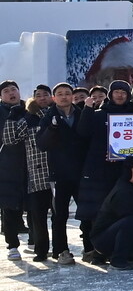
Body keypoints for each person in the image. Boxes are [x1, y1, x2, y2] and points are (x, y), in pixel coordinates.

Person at [76, 80, 133, 261]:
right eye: (116, 92)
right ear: (111, 94)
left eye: (123, 92)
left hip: (124, 171)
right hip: (99, 171)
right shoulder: (99, 114)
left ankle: (122, 249)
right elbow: (83, 132)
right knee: (97, 213)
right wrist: (87, 110)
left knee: (122, 211)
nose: (120, 95)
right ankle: (96, 250)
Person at [35, 82, 89, 264]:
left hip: (81, 172)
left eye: (67, 93)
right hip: (59, 174)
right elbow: (41, 144)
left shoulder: (81, 114)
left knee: (87, 211)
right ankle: (61, 250)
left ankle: (90, 248)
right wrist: (52, 128)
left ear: (72, 95)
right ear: (54, 97)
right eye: (60, 94)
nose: (64, 96)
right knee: (60, 214)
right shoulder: (48, 117)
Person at [1, 80, 50, 262]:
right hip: (8, 166)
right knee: (10, 206)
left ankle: (34, 240)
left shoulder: (29, 110)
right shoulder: (2, 112)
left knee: (33, 206)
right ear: (1, 95)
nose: (11, 93)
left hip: (31, 165)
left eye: (14, 89)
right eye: (6, 91)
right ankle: (12, 244)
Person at [86, 156, 133, 269]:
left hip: (117, 234)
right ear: (128, 172)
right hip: (103, 240)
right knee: (131, 221)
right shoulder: (123, 191)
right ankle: (117, 261)